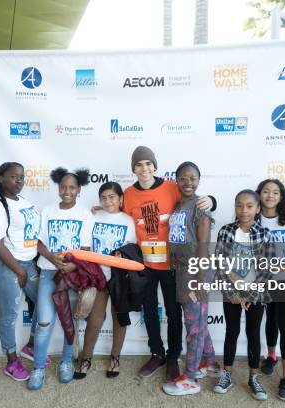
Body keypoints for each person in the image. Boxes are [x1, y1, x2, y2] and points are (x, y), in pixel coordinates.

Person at [122, 146, 214, 381]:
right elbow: (119, 215)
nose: (144, 169)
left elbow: (194, 198)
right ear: (133, 169)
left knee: (174, 313)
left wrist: (211, 200)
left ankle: (173, 356)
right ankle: (157, 354)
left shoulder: (173, 187)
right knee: (150, 310)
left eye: (148, 164)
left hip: (174, 266)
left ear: (155, 166)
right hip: (145, 264)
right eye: (139, 165)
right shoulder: (128, 194)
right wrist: (100, 209)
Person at [28, 167, 93, 390]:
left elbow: (85, 248)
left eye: (72, 187)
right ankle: (38, 368)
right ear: (58, 188)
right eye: (63, 187)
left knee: (69, 323)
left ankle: (66, 362)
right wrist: (52, 258)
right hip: (48, 272)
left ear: (79, 190)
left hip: (73, 276)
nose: (67, 191)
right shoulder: (47, 210)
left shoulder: (85, 214)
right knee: (44, 322)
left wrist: (73, 264)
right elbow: (38, 243)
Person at [162, 162, 218, 396]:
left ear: (199, 179)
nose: (188, 182)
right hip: (183, 271)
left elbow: (203, 245)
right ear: (176, 180)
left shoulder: (201, 206)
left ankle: (191, 377)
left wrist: (200, 277)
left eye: (192, 178)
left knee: (193, 327)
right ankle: (208, 363)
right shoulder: (178, 205)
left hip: (197, 271)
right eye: (183, 178)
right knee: (198, 323)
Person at [213, 189, 274, 401]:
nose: (244, 210)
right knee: (231, 331)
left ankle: (254, 377)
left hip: (255, 294)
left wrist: (250, 293)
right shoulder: (226, 231)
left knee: (253, 334)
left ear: (258, 209)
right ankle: (226, 374)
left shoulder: (265, 234)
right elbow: (220, 264)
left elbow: (267, 269)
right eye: (239, 205)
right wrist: (233, 293)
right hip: (231, 293)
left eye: (249, 206)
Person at [0, 162, 43, 382]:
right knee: (9, 315)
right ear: (1, 179)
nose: (19, 181)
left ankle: (31, 346)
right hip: (9, 266)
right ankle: (11, 361)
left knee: (44, 303)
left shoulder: (24, 201)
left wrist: (33, 262)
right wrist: (19, 271)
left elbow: (31, 235)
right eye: (13, 177)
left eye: (21, 177)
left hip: (28, 264)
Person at [73, 182, 136, 380]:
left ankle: (115, 358)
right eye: (104, 198)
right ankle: (86, 358)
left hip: (119, 277)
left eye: (112, 197)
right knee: (95, 319)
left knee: (119, 318)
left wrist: (122, 254)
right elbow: (86, 245)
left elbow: (133, 249)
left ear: (120, 199)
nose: (108, 201)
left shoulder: (129, 220)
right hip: (98, 275)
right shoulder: (93, 216)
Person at [256, 178, 285, 401]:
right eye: (266, 191)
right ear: (259, 194)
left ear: (281, 196)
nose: (270, 196)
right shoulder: (252, 217)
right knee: (270, 320)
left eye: (275, 192)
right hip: (263, 280)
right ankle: (271, 356)